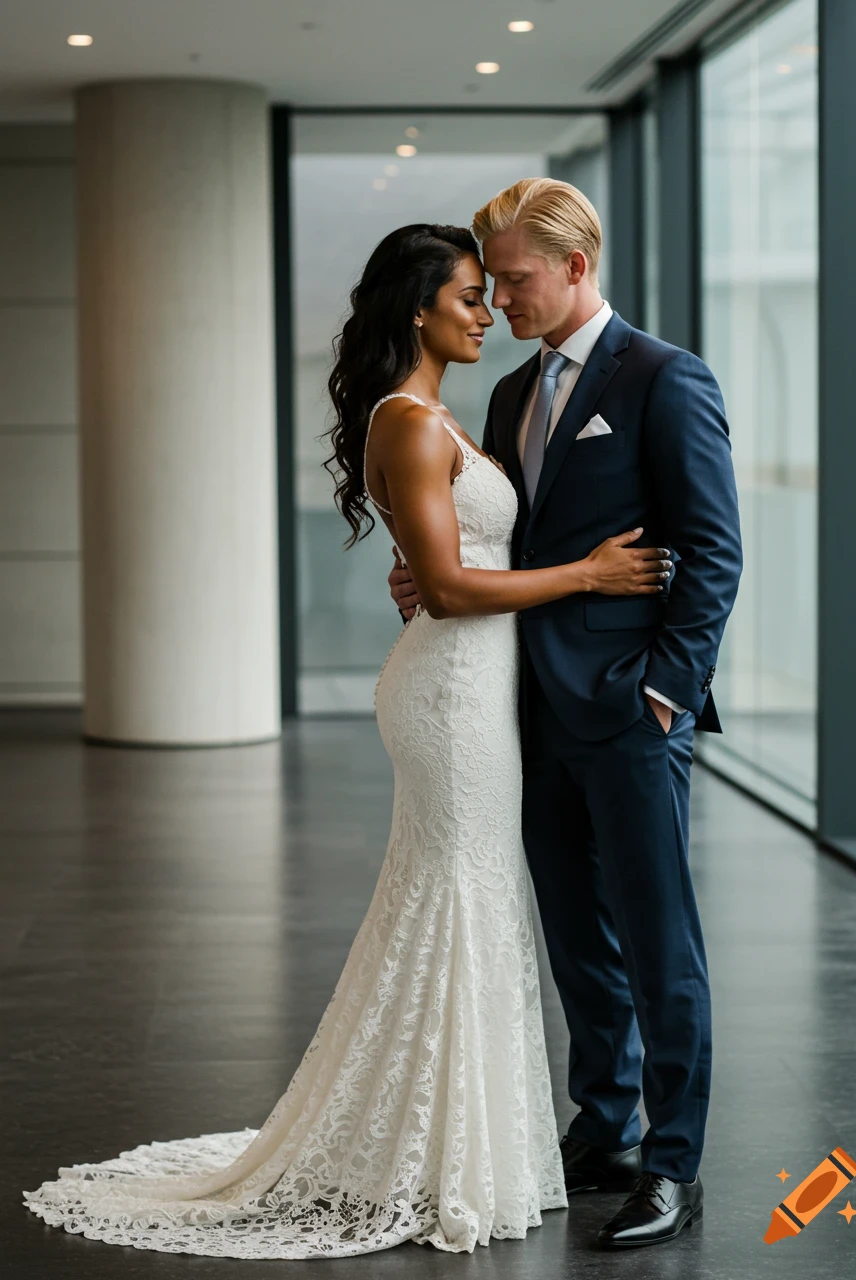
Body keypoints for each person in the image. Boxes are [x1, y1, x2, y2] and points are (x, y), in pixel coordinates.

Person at [23, 222, 669, 1260]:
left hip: (475, 687)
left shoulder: (441, 415)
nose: (485, 311)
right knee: (459, 893)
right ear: (417, 308)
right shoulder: (409, 423)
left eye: (489, 292)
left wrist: (446, 573)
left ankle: (461, 1137)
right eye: (465, 295)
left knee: (469, 897)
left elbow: (444, 565)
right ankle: (445, 1148)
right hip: (451, 698)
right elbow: (454, 589)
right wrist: (586, 577)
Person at [390, 180, 743, 1249]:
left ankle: (672, 1163)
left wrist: (664, 690)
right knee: (576, 940)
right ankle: (605, 1125)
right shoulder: (505, 394)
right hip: (524, 712)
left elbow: (711, 552)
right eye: (488, 279)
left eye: (515, 277)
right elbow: (505, 539)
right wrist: (430, 579)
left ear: (576, 267)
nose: (498, 297)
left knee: (656, 941)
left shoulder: (663, 378)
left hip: (631, 710)